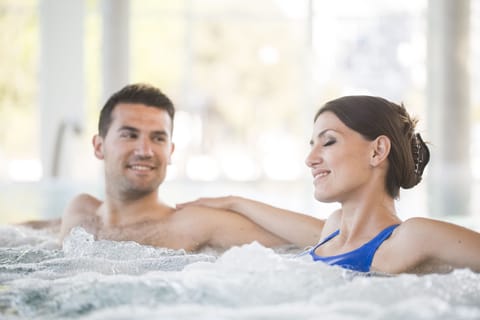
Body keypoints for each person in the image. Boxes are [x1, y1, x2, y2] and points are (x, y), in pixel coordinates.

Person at [178, 95, 480, 274]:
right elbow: (296, 227)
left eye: (329, 142)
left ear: (377, 151)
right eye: (312, 145)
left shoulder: (413, 237)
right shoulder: (332, 231)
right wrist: (234, 202)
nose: (310, 159)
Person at [57, 83, 288, 251]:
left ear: (170, 152)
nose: (145, 151)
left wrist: (237, 203)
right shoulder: (80, 211)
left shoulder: (193, 224)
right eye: (130, 135)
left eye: (158, 138)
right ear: (99, 147)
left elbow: (317, 242)